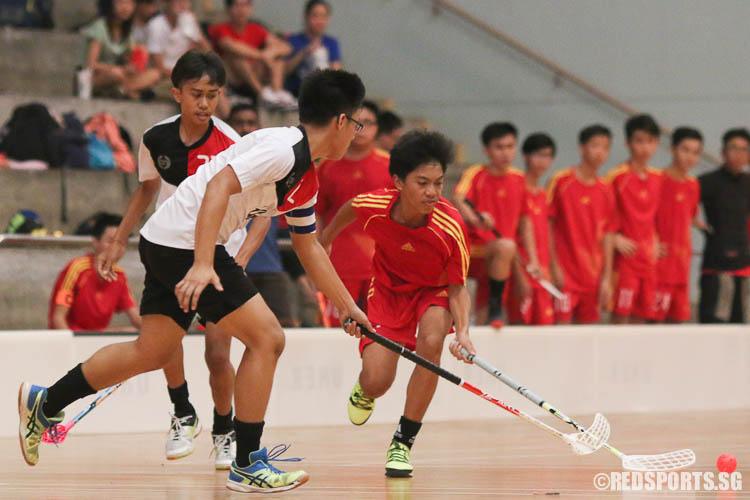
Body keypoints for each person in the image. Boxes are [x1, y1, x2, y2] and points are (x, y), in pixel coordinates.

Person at [19, 68, 370, 494]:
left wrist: (350, 309)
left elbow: (308, 246)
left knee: (152, 350)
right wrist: (204, 263)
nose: (357, 132)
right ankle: (248, 462)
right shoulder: (282, 148)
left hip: (164, 240)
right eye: (356, 123)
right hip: (186, 244)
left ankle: (46, 402)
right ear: (339, 121)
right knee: (268, 339)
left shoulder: (306, 177)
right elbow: (219, 186)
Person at [94, 50, 265, 468]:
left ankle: (224, 428)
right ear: (176, 94)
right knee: (165, 341)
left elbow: (259, 213)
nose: (204, 104)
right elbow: (146, 189)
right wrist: (118, 240)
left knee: (217, 353)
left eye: (212, 95)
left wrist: (239, 257)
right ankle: (183, 411)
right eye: (195, 94)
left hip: (219, 256)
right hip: (170, 249)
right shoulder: (156, 138)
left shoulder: (233, 144)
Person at [319, 130, 474, 478]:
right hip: (389, 292)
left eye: (439, 182)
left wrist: (462, 333)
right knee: (377, 382)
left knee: (431, 342)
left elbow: (458, 287)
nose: (433, 192)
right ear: (398, 182)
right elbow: (347, 211)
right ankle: (366, 389)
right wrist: (324, 241)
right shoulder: (373, 205)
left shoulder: (450, 227)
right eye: (422, 183)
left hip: (434, 293)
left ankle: (403, 442)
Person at [316, 100, 393, 325]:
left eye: (368, 123)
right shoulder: (326, 165)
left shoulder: (391, 165)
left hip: (381, 265)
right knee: (336, 329)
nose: (362, 129)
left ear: (377, 128)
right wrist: (316, 258)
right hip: (337, 264)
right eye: (357, 123)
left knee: (381, 330)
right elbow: (317, 214)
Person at [453, 122, 524, 326]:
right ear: (487, 150)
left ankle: (491, 313)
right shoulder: (476, 173)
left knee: (487, 321)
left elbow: (525, 222)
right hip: (474, 250)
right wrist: (475, 218)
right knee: (506, 246)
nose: (505, 153)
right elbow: (458, 198)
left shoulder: (519, 178)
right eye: (499, 147)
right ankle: (496, 308)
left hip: (501, 257)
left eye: (510, 147)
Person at [547, 125, 616, 324]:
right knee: (561, 330)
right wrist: (554, 266)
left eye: (605, 148)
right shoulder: (561, 181)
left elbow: (609, 234)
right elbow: (547, 225)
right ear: (582, 148)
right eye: (595, 146)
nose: (599, 152)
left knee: (589, 335)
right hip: (565, 274)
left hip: (593, 277)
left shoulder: (606, 190)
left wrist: (607, 278)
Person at [605, 114, 663, 324]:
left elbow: (657, 217)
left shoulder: (658, 178)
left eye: (650, 141)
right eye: (639, 141)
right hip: (625, 261)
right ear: (628, 143)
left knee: (644, 317)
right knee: (620, 314)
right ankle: (615, 357)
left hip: (649, 261)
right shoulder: (616, 177)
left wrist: (656, 240)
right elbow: (603, 218)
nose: (645, 147)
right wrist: (615, 239)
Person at [48, 214, 140, 332]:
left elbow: (135, 317)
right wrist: (72, 347)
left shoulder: (119, 276)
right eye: (111, 242)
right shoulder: (77, 268)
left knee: (132, 332)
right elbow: (58, 318)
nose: (116, 249)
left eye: (122, 243)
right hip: (72, 337)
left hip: (98, 338)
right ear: (95, 242)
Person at [698, 128, 750, 323]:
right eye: (733, 148)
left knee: (743, 329)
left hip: (744, 268)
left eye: (744, 149)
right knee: (714, 327)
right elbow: (684, 210)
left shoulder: (748, 183)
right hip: (716, 267)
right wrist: (702, 227)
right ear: (723, 151)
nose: (738, 153)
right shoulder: (706, 182)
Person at [654, 127, 705, 323]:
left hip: (682, 268)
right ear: (672, 149)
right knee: (654, 325)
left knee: (679, 324)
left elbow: (688, 217)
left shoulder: (693, 185)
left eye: (695, 152)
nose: (690, 157)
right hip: (659, 268)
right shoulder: (657, 180)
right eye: (685, 149)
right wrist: (652, 241)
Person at [506, 133, 556, 326]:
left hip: (542, 274)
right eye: (538, 154)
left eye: (548, 156)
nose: (543, 161)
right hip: (522, 271)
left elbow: (546, 235)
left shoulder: (543, 194)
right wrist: (519, 274)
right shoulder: (516, 189)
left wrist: (550, 268)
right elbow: (510, 235)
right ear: (525, 156)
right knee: (520, 326)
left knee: (544, 328)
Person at [208, 0, 295, 109]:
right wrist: (263, 56)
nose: (241, 10)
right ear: (228, 9)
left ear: (251, 8)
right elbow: (230, 46)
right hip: (232, 77)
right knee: (237, 57)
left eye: (245, 5)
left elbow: (286, 47)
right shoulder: (220, 29)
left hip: (255, 73)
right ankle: (263, 95)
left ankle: (277, 94)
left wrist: (270, 53)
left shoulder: (255, 28)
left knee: (278, 59)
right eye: (237, 5)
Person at [80, 0, 160, 99]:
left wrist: (132, 66)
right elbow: (91, 64)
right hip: (97, 75)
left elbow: (132, 54)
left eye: (130, 3)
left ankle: (122, 90)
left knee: (155, 73)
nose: (126, 8)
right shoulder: (99, 27)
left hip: (120, 74)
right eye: (121, 3)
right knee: (116, 74)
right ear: (110, 4)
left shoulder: (127, 29)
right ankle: (130, 91)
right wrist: (118, 69)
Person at [285, 0, 341, 97]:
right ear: (306, 17)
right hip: (298, 91)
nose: (319, 21)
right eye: (315, 16)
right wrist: (304, 53)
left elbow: (336, 69)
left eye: (323, 16)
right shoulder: (293, 40)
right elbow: (284, 71)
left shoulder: (331, 42)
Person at [147, 0, 211, 81]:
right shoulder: (156, 25)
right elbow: (159, 68)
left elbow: (206, 49)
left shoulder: (188, 19)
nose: (182, 3)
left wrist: (198, 34)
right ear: (166, 3)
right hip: (165, 77)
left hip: (186, 73)